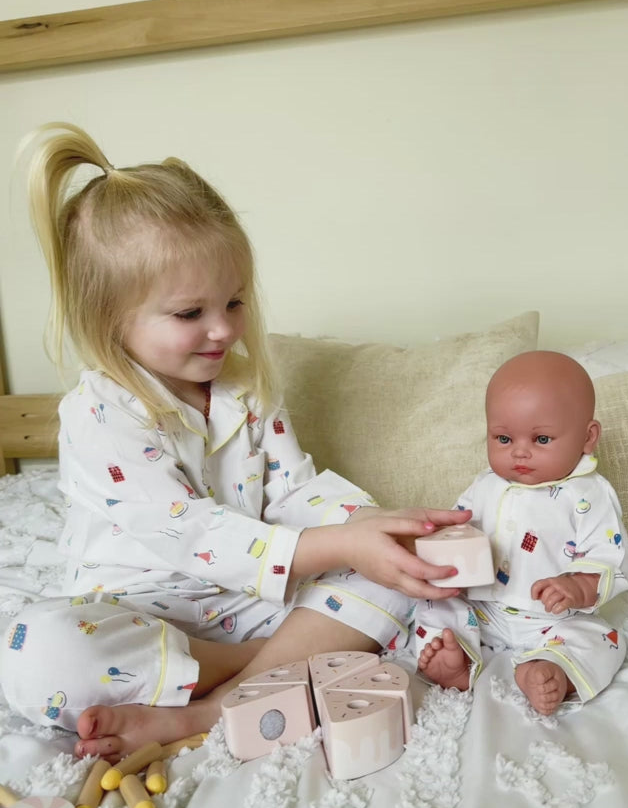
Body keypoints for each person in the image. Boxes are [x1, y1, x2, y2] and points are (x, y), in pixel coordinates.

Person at [0, 122, 471, 761]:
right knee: (33, 651)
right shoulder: (98, 415)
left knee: (393, 575)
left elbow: (293, 492)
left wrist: (368, 525)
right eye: (190, 313)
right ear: (110, 319)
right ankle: (266, 666)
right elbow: (191, 531)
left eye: (235, 302)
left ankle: (209, 711)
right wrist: (337, 545)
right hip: (143, 613)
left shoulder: (245, 389)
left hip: (247, 598)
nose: (223, 330)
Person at [415, 350, 628, 715]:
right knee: (433, 604)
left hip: (553, 620)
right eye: (503, 439)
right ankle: (456, 660)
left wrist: (577, 586)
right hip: (482, 609)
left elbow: (612, 559)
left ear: (587, 436)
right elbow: (458, 526)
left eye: (541, 440)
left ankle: (549, 670)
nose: (519, 452)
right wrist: (443, 543)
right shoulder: (486, 485)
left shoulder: (588, 496)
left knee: (607, 641)